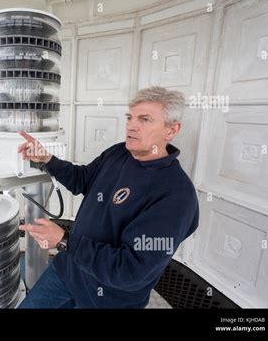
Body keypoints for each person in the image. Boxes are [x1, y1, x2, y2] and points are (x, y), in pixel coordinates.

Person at [17, 86, 199, 308]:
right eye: (130, 118)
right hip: (68, 272)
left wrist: (64, 241)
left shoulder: (176, 195)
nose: (132, 125)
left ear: (171, 131)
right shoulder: (119, 153)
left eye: (145, 119)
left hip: (108, 300)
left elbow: (131, 270)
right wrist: (47, 159)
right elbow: (82, 179)